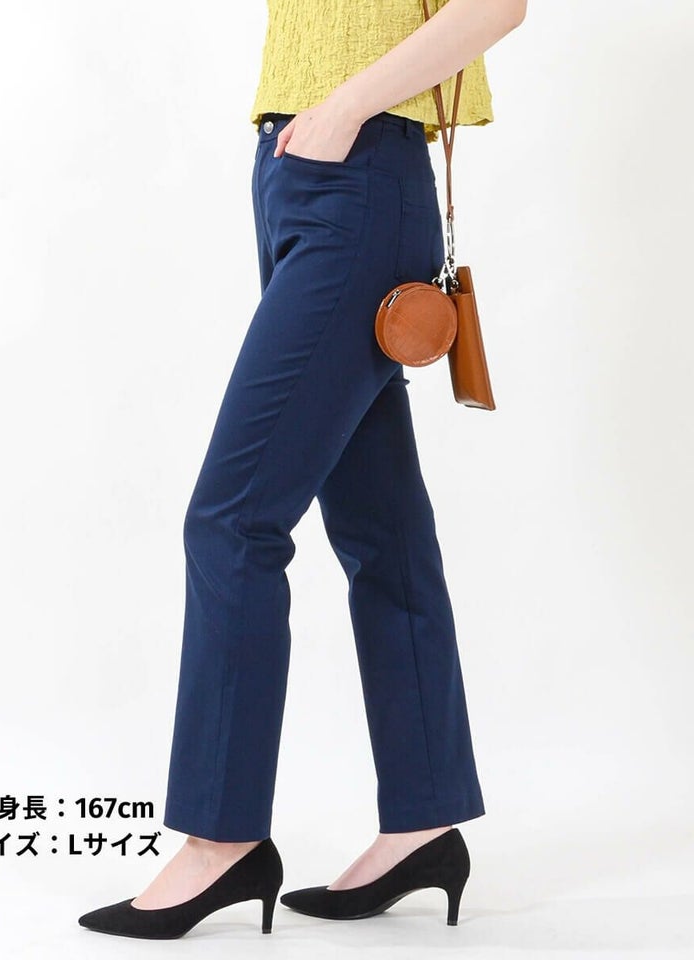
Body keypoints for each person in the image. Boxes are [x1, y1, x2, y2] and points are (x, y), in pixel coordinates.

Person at [78, 0, 528, 940]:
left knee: (233, 520)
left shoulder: (355, 130)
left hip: (358, 177)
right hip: (303, 178)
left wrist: (346, 108)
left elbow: (497, 5)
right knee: (380, 529)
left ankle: (222, 839)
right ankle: (424, 822)